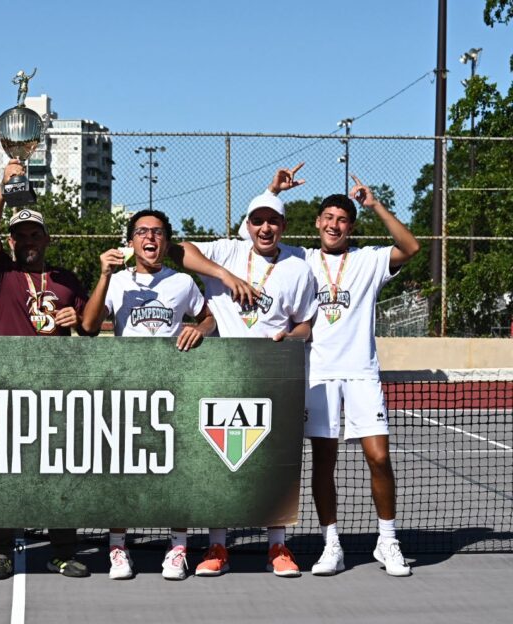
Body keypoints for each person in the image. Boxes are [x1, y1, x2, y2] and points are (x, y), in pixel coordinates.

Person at [266, 166, 420, 577]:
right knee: (323, 461)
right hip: (318, 374)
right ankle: (331, 544)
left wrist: (375, 205)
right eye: (329, 219)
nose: (335, 225)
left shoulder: (369, 261)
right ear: (317, 223)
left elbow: (411, 247)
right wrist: (274, 190)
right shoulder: (301, 258)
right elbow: (260, 232)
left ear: (351, 226)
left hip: (361, 373)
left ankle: (387, 542)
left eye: (343, 220)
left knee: (379, 456)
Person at [179, 177, 318, 578]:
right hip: (223, 373)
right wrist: (225, 276)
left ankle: (278, 546)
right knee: (219, 461)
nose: (265, 228)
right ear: (248, 224)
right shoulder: (228, 251)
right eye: (257, 221)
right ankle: (217, 546)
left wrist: (290, 338)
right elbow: (180, 250)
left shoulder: (298, 267)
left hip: (273, 377)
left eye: (272, 221)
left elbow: (306, 324)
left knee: (273, 464)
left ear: (283, 227)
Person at [81, 209, 221, 580]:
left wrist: (201, 330)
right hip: (126, 388)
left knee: (176, 471)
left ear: (166, 241)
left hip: (173, 390)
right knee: (123, 474)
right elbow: (90, 326)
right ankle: (117, 548)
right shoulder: (116, 280)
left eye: (158, 232)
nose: (151, 238)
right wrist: (104, 274)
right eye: (142, 231)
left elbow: (210, 317)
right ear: (131, 241)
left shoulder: (182, 283)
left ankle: (177, 547)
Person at [0, 160, 93, 580]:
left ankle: (62, 549)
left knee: (60, 470)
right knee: (6, 471)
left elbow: (89, 324)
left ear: (46, 238)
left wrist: (73, 321)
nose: (28, 240)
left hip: (57, 388)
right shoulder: (0, 275)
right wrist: (4, 188)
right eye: (21, 234)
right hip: (8, 387)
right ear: (12, 240)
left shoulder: (66, 279)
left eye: (35, 234)